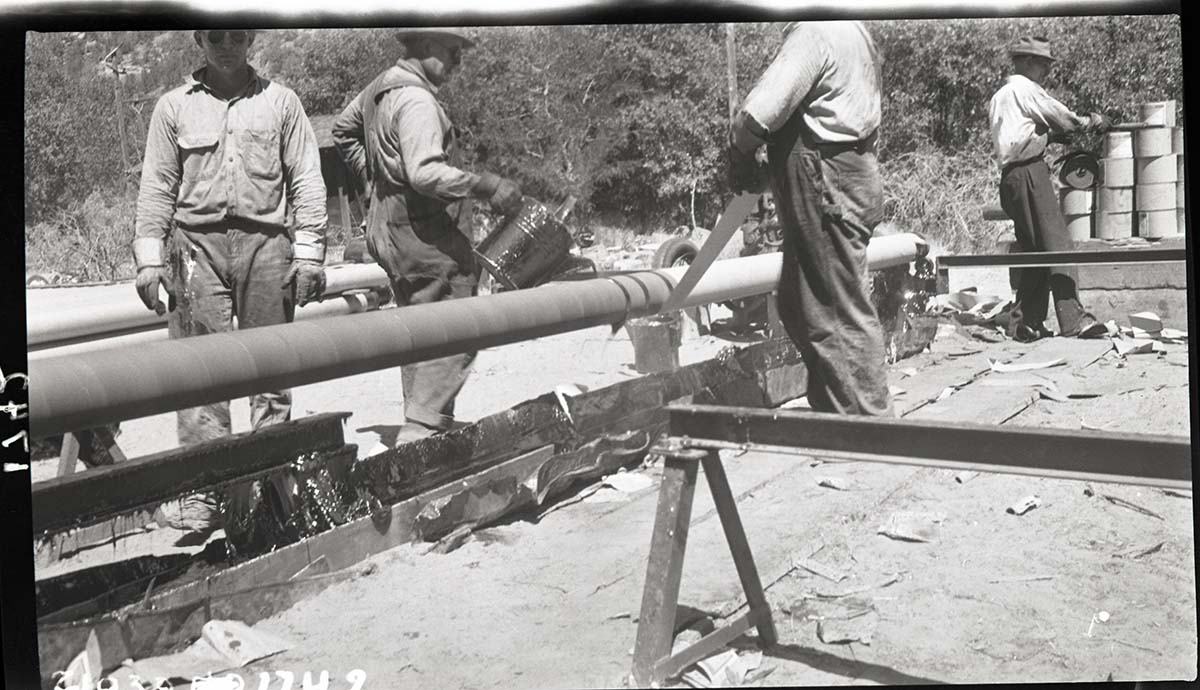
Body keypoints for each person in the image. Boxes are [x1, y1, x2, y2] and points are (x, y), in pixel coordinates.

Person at [132, 29, 329, 535]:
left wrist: (308, 255)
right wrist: (150, 258)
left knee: (271, 372)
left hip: (268, 246)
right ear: (200, 40)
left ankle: (272, 490)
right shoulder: (172, 108)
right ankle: (206, 496)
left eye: (235, 35)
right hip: (196, 248)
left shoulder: (281, 102)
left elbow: (306, 176)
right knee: (200, 375)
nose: (225, 45)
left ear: (251, 38)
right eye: (215, 36)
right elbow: (156, 183)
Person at [333, 27, 523, 446]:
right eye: (453, 51)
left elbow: (343, 130)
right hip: (422, 230)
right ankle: (420, 429)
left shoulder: (382, 87)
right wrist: (487, 185)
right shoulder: (417, 100)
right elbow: (423, 172)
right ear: (423, 46)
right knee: (460, 319)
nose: (459, 61)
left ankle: (423, 422)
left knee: (419, 324)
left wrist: (373, 182)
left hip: (389, 228)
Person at [728, 20, 892, 417]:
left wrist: (740, 149)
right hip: (849, 172)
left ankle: (867, 427)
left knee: (833, 307)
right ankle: (836, 409)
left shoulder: (815, 33)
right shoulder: (855, 31)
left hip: (825, 179)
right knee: (799, 303)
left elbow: (759, 115)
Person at [988, 36, 1108, 342]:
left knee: (1034, 251)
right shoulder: (1026, 89)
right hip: (1029, 174)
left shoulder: (1001, 95)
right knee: (1058, 245)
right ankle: (1074, 320)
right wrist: (1092, 121)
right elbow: (1065, 120)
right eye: (1043, 64)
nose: (1047, 71)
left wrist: (1048, 140)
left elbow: (1015, 136)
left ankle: (1026, 323)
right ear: (1026, 62)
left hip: (1011, 178)